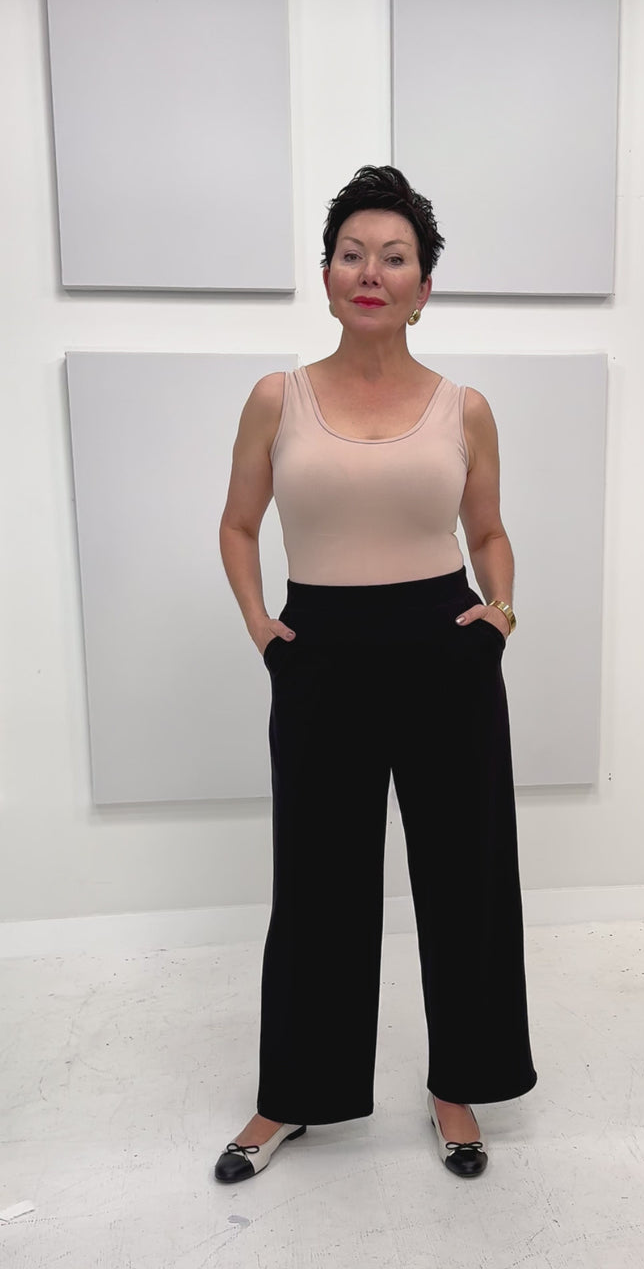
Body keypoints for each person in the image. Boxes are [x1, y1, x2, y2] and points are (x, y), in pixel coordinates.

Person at [215, 165, 537, 1183]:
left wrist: (499, 616)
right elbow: (238, 524)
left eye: (394, 257)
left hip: (444, 651)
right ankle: (291, 1096)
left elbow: (488, 531)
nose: (371, 271)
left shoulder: (464, 408)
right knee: (318, 884)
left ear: (423, 286)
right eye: (352, 253)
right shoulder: (278, 398)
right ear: (326, 276)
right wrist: (264, 628)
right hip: (319, 655)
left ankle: (460, 1085)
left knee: (464, 879)